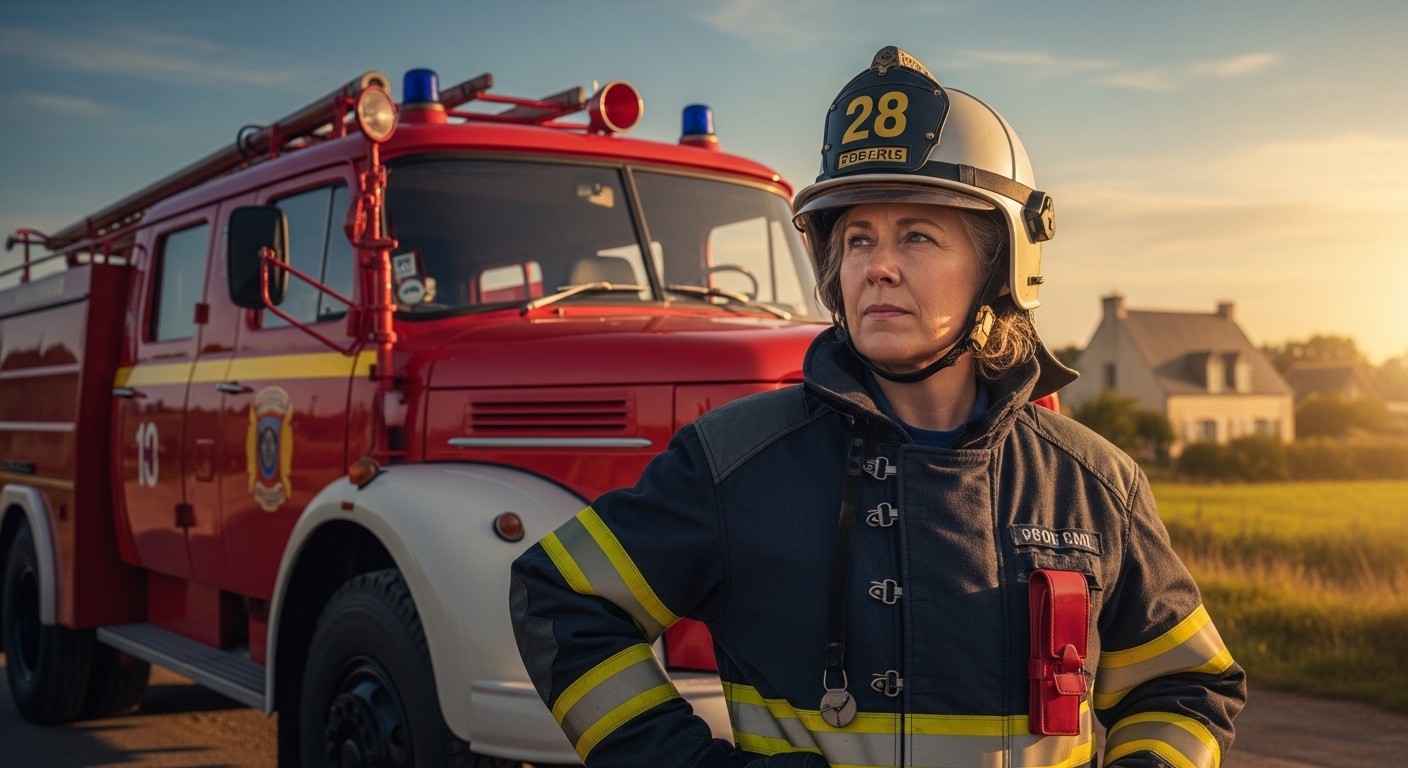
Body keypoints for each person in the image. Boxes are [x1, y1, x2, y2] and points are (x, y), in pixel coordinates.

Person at [510, 45, 1245, 767]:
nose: (877, 265)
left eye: (917, 236)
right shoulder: (733, 463)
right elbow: (563, 600)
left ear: (1002, 267)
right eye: (858, 238)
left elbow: (1183, 687)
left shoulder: (1092, 486)